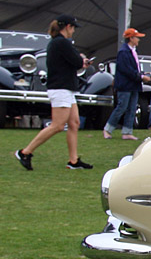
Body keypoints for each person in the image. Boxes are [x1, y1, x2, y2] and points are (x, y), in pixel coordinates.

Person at [14, 14, 93, 170]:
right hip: (61, 88)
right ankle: (25, 152)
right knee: (57, 125)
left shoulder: (58, 43)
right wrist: (82, 61)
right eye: (73, 28)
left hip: (66, 88)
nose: (73, 31)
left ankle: (74, 160)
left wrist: (79, 60)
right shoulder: (62, 43)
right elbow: (76, 62)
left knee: (74, 123)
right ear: (68, 27)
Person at [103, 27, 151, 140]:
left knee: (132, 108)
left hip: (134, 85)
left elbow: (134, 68)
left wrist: (141, 74)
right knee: (122, 107)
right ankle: (107, 129)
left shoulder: (132, 51)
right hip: (125, 85)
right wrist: (141, 77)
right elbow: (126, 70)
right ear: (131, 38)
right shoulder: (123, 52)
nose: (138, 40)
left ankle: (127, 131)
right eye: (137, 37)